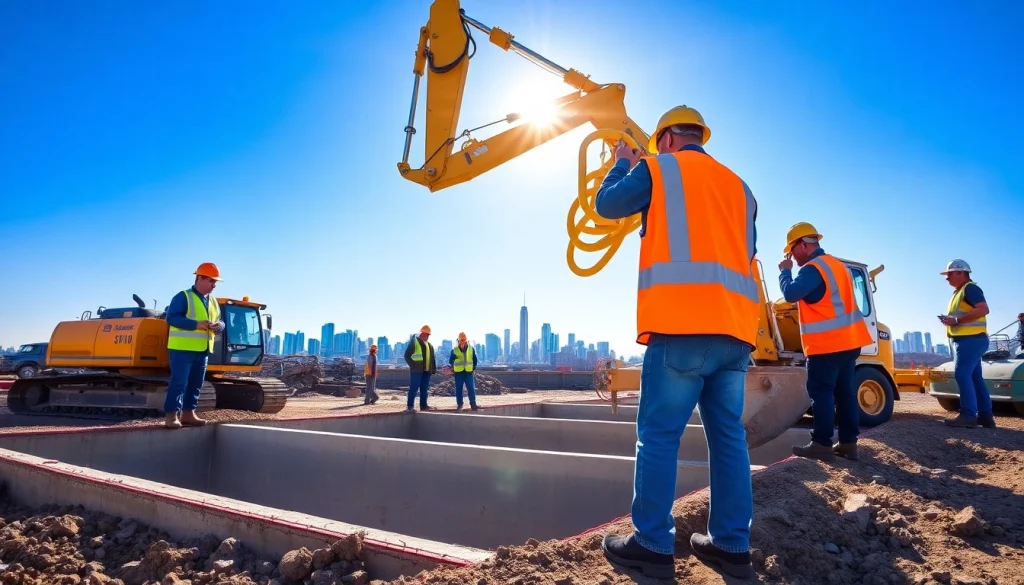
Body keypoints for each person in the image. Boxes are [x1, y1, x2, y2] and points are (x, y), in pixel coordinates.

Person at [592, 105, 759, 580]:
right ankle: (731, 544)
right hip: (736, 334)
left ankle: (651, 544)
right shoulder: (741, 188)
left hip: (682, 327)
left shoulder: (658, 169)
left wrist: (622, 160)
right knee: (729, 439)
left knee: (660, 436)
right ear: (698, 136)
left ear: (665, 139)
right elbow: (745, 253)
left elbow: (607, 207)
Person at [778, 223, 873, 462]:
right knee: (845, 393)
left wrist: (785, 271)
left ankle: (821, 443)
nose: (791, 257)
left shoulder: (812, 269)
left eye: (791, 252)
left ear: (803, 245)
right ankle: (849, 444)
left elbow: (791, 294)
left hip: (827, 345)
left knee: (821, 393)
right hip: (849, 342)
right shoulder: (837, 266)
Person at [164, 262, 225, 429]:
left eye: (215, 282)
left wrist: (219, 326)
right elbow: (172, 318)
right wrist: (196, 324)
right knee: (179, 382)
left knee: (196, 384)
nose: (214, 285)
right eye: (211, 281)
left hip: (203, 349)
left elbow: (220, 320)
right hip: (182, 349)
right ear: (200, 279)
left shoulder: (212, 301)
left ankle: (188, 414)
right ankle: (171, 416)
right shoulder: (183, 296)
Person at [938, 260, 994, 428]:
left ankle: (968, 415)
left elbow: (983, 309)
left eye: (950, 274)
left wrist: (956, 320)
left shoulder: (970, 288)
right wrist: (952, 321)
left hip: (970, 340)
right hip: (971, 340)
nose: (947, 278)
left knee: (962, 374)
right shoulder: (960, 292)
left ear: (962, 273)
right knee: (975, 378)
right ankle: (985, 417)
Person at [403, 325, 437, 412]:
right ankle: (410, 406)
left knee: (424, 389)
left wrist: (432, 370)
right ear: (421, 333)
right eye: (426, 334)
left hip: (426, 371)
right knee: (414, 388)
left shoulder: (430, 346)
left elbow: (432, 359)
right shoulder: (415, 342)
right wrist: (413, 366)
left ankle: (424, 406)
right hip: (417, 371)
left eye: (428, 335)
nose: (427, 336)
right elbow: (407, 355)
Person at [449, 332, 480, 411]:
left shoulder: (471, 349)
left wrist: (473, 368)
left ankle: (473, 404)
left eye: (464, 340)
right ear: (458, 341)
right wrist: (454, 365)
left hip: (468, 372)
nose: (462, 342)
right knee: (459, 389)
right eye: (461, 340)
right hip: (459, 372)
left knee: (471, 388)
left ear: (466, 341)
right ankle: (459, 404)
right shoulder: (455, 350)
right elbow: (451, 361)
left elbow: (474, 359)